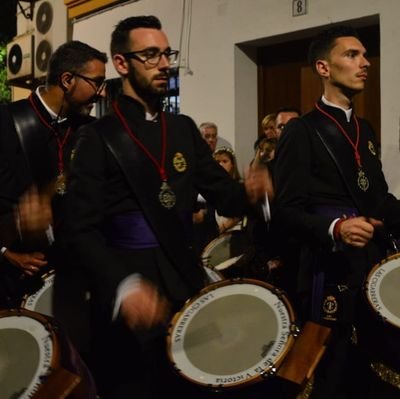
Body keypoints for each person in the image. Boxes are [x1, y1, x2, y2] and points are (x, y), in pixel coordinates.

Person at [64, 15, 273, 399]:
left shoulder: (183, 129)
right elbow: (80, 230)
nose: (164, 64)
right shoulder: (97, 137)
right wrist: (124, 287)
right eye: (150, 55)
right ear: (122, 63)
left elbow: (223, 195)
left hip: (183, 280)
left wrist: (251, 193)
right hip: (129, 294)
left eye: (166, 54)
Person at [273, 25, 400, 398]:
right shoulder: (301, 130)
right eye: (352, 55)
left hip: (371, 265)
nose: (364, 63)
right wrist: (334, 228)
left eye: (364, 55)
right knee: (331, 377)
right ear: (324, 68)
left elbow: (378, 199)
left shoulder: (365, 128)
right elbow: (285, 211)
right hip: (326, 270)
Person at [0, 40, 108, 397]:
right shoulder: (7, 123)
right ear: (67, 79)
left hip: (68, 278)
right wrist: (4, 250)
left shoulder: (89, 131)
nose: (100, 91)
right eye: (96, 82)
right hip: (13, 278)